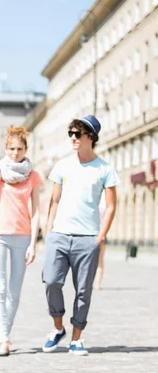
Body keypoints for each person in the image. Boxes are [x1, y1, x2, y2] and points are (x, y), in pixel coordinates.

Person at [42, 115, 118, 356]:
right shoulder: (62, 165)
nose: (73, 138)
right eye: (71, 134)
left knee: (83, 290)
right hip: (60, 235)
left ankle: (76, 338)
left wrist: (100, 236)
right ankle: (57, 327)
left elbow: (112, 206)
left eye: (78, 134)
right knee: (52, 281)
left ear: (91, 137)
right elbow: (54, 200)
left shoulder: (104, 169)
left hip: (88, 238)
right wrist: (49, 230)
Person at [0, 126, 42, 356]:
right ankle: (4, 339)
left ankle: (6, 334)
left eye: (19, 148)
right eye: (11, 149)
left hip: (22, 236)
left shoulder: (33, 176)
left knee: (14, 291)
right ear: (5, 149)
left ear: (25, 149)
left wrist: (33, 243)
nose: (15, 152)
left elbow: (36, 211)